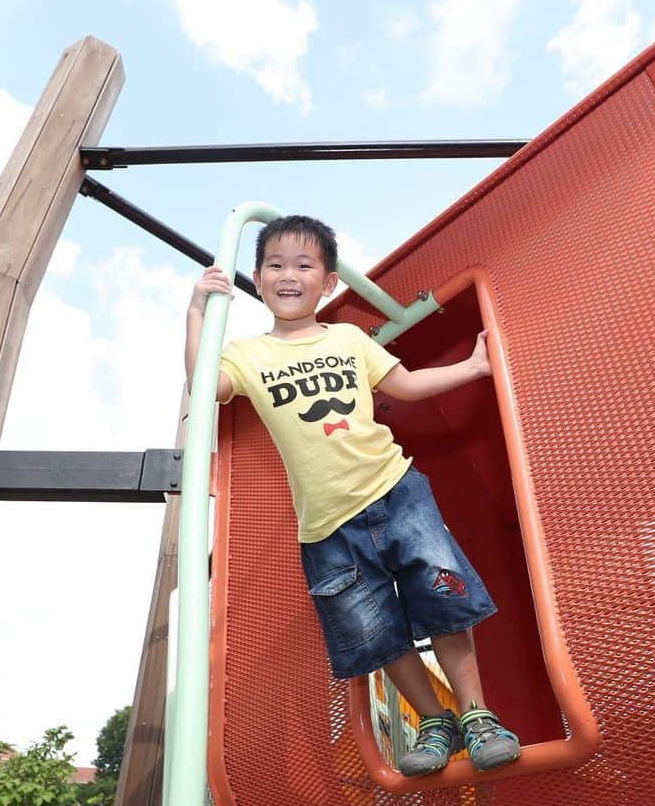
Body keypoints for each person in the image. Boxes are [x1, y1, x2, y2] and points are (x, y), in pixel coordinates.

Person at [186, 215, 520, 776]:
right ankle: (435, 723)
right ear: (258, 278)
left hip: (394, 489)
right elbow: (203, 383)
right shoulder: (248, 355)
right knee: (374, 632)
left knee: (442, 595)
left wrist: (475, 366)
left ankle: (477, 715)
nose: (288, 275)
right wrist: (197, 310)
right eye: (275, 265)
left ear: (329, 282)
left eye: (303, 265)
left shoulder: (347, 339)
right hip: (326, 524)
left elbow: (405, 385)